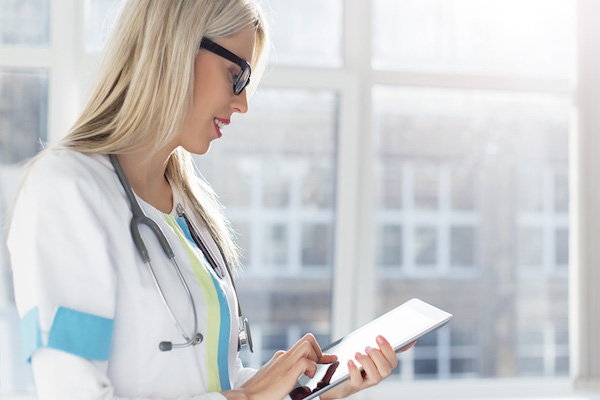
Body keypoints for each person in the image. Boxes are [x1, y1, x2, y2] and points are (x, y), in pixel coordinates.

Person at [7, 1, 409, 399]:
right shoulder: (66, 189)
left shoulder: (188, 205)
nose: (243, 103)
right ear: (175, 47)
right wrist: (252, 396)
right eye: (237, 74)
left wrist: (318, 390)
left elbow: (216, 381)